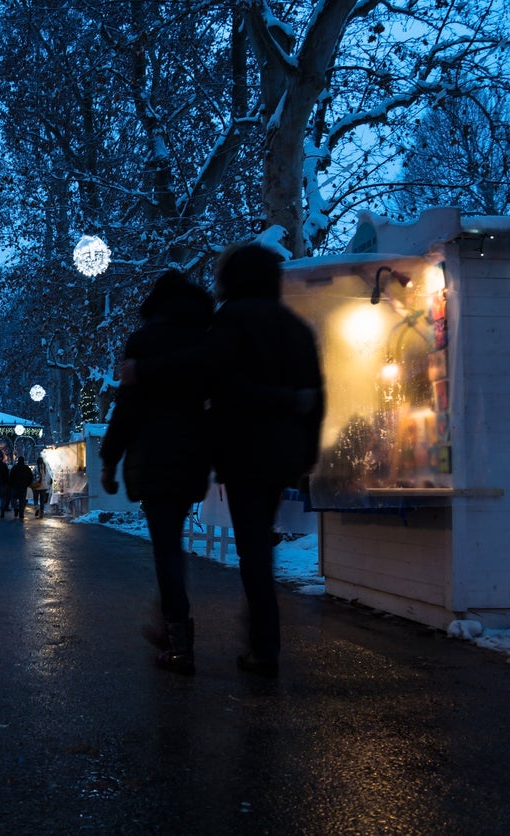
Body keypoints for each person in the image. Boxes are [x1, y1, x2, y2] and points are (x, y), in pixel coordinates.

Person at [124, 244, 324, 678]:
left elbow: (202, 366)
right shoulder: (296, 327)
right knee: (259, 551)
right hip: (284, 454)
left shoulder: (233, 319)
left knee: (253, 551)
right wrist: (306, 453)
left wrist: (145, 371)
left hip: (244, 449)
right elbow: (316, 396)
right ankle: (262, 643)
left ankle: (262, 646)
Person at [100, 269, 215, 675]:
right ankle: (170, 623)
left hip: (152, 456)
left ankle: (178, 639)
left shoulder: (145, 341)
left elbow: (127, 407)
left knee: (165, 548)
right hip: (192, 456)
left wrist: (110, 458)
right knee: (171, 545)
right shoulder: (207, 338)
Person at [8, 455, 33, 519]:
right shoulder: (26, 468)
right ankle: (21, 513)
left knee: (13, 499)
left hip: (15, 486)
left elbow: (10, 477)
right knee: (22, 500)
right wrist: (28, 484)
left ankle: (16, 508)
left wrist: (10, 484)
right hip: (23, 487)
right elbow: (31, 477)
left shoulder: (14, 468)